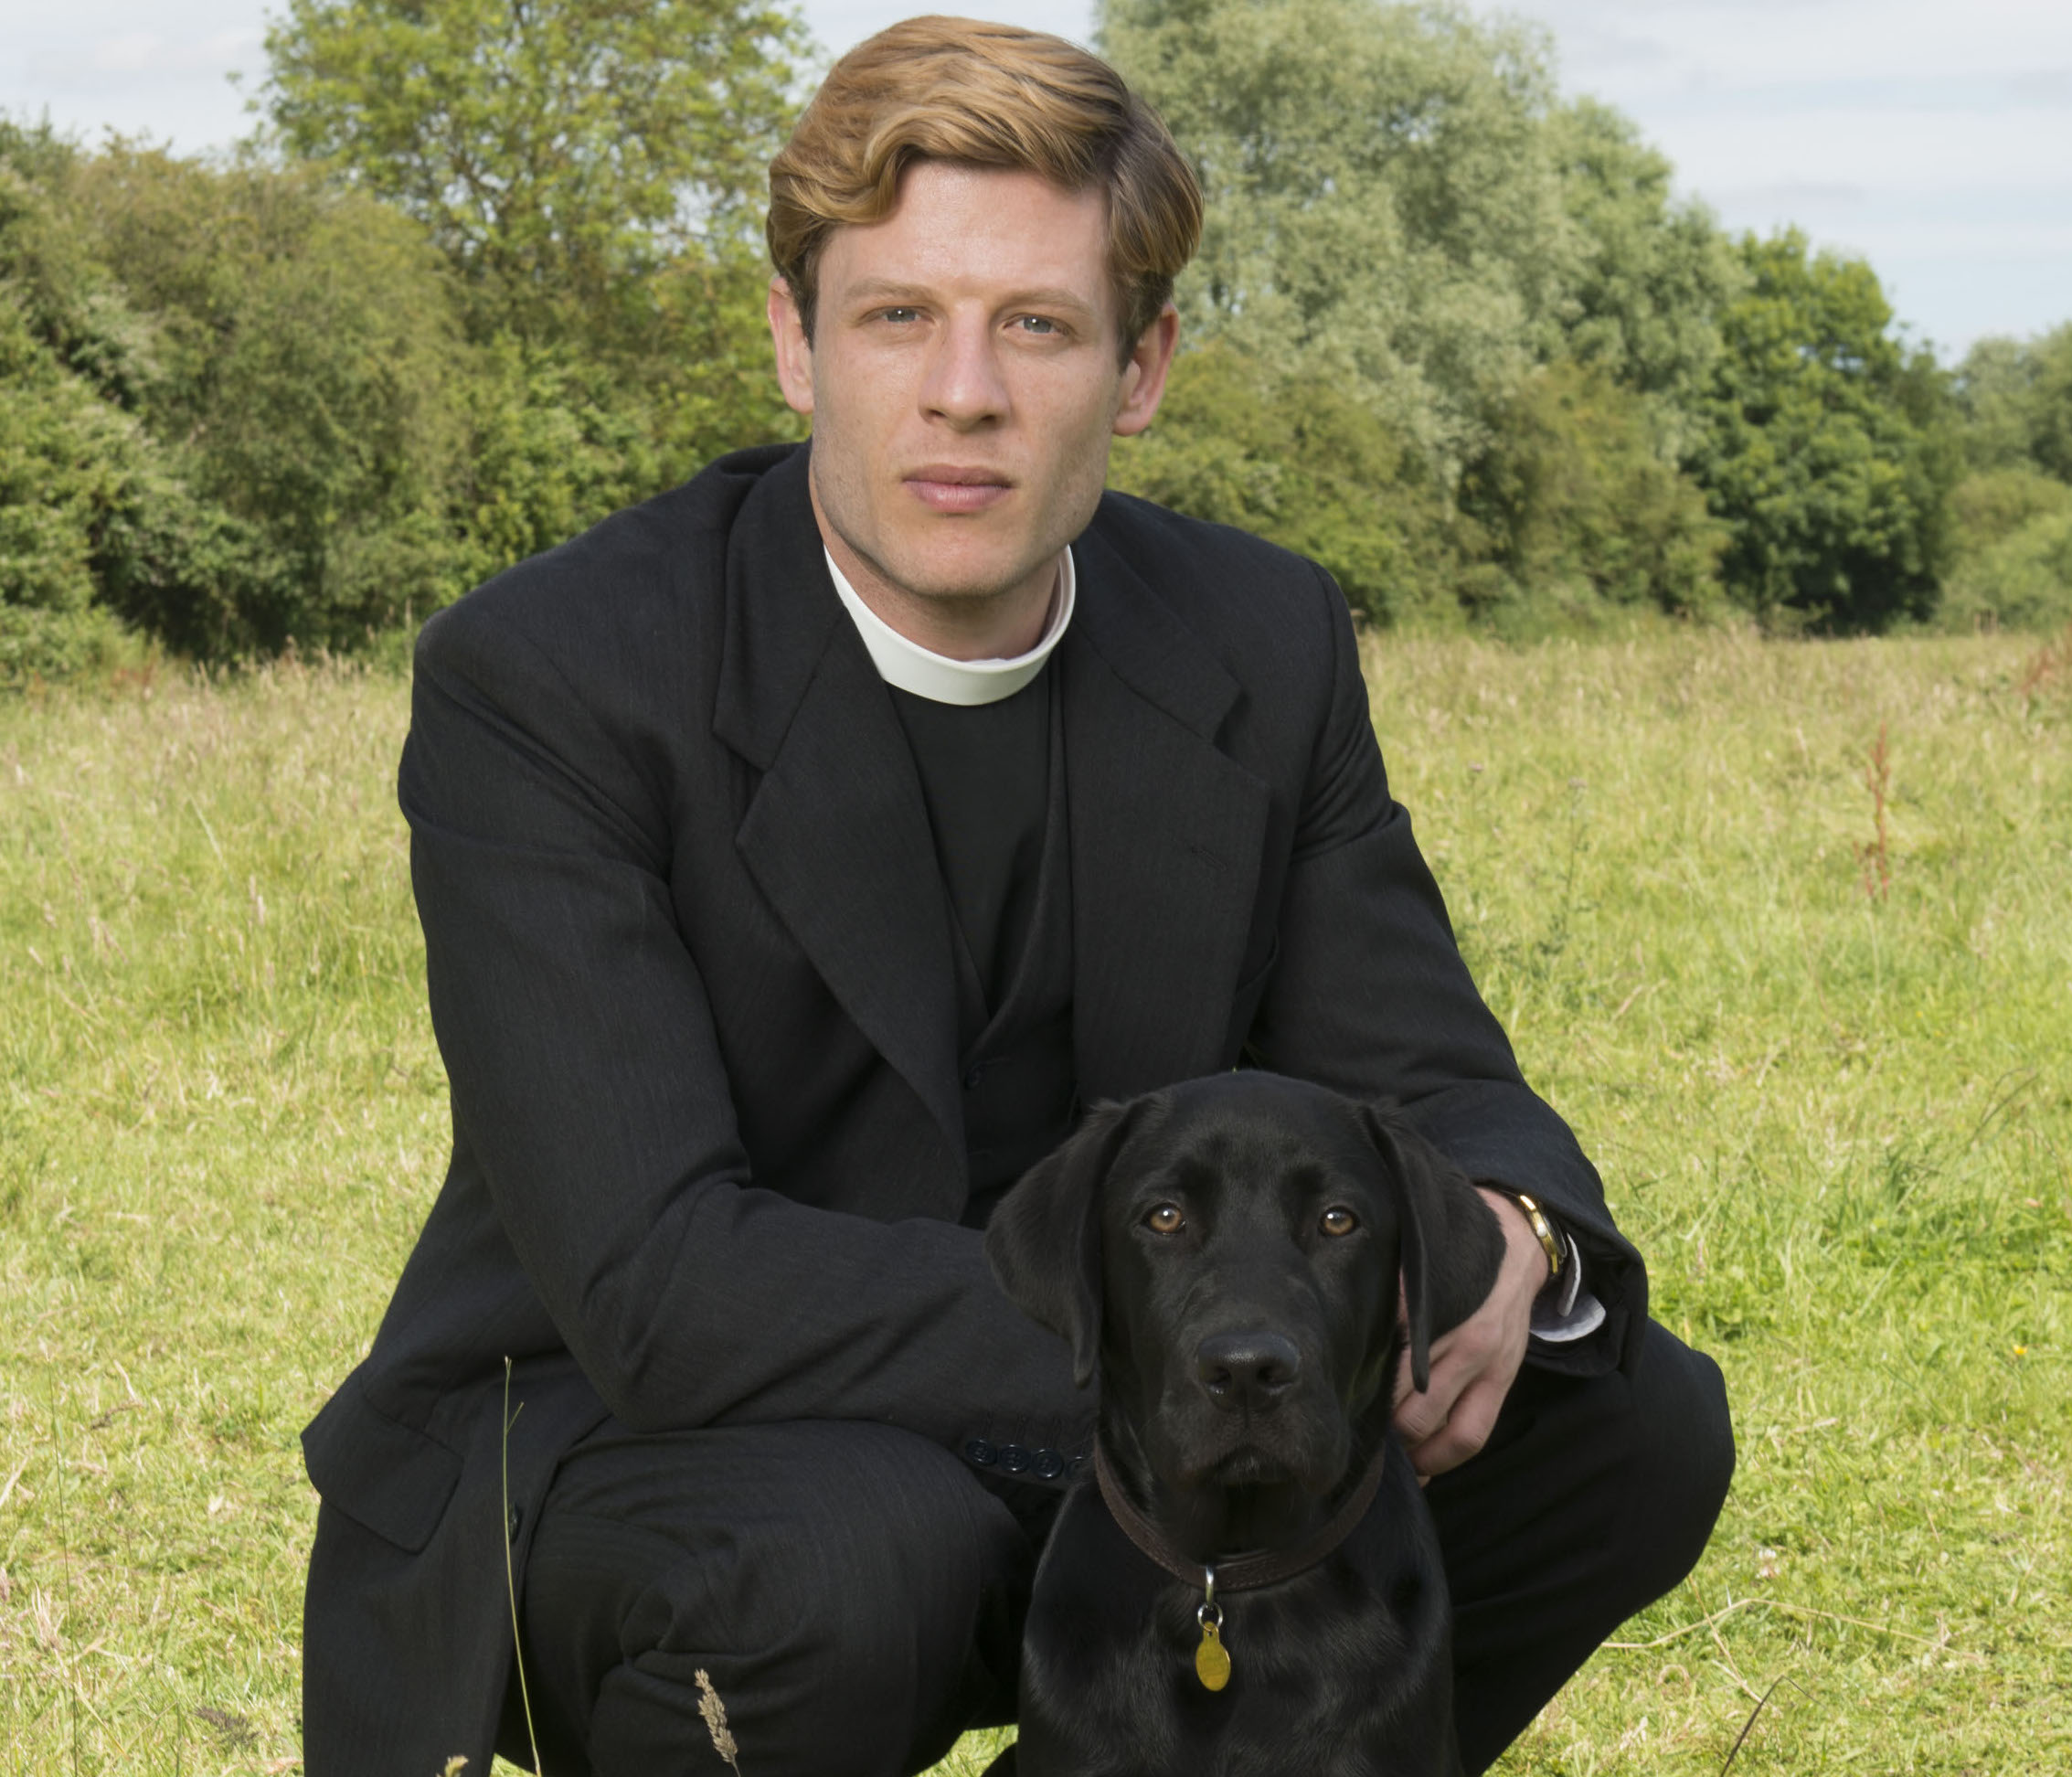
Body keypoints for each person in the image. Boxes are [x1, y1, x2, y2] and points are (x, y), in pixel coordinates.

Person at [297, 18, 1731, 1775]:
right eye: (897, 315)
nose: (961, 391)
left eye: (1035, 325)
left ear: (1139, 369)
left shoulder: (1259, 639)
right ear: (795, 345)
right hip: (638, 1451)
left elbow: (1425, 1073)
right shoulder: (554, 677)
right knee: (854, 1559)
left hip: (1112, 1414)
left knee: (1622, 1421)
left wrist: (1507, 1233)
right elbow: (659, 1283)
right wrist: (1185, 1340)